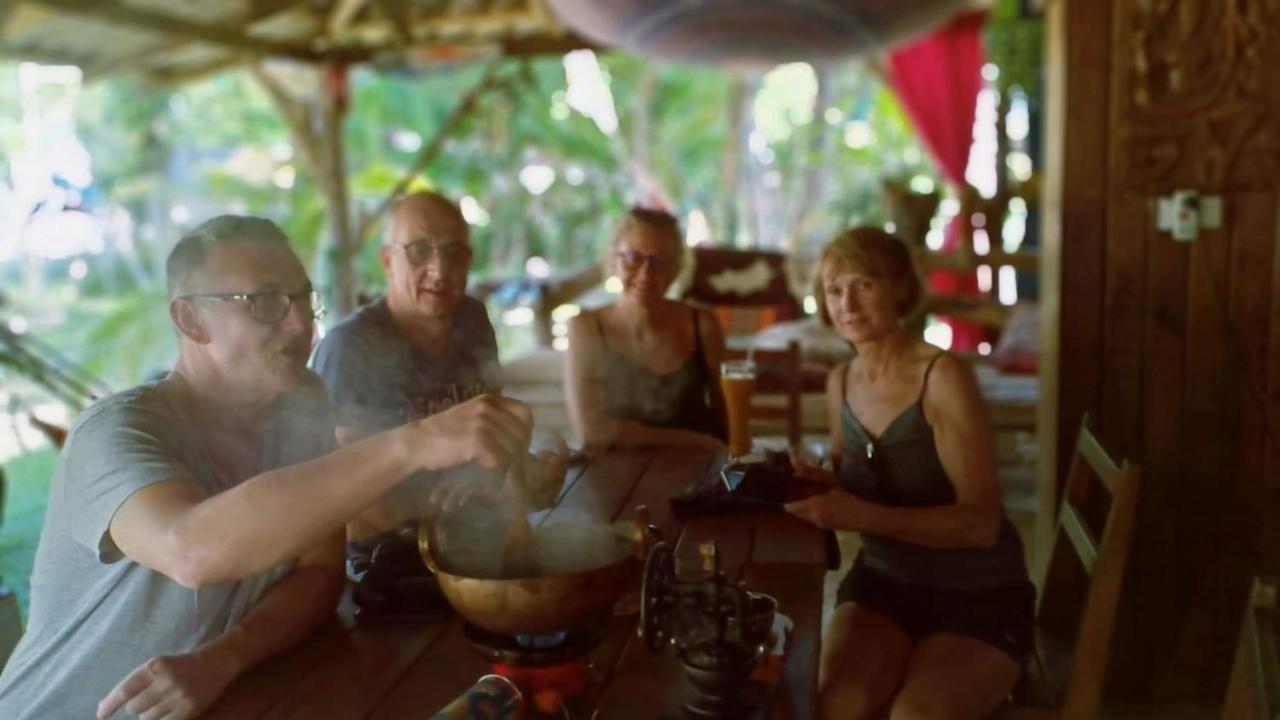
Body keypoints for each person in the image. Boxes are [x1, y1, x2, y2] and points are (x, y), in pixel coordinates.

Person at [0, 216, 531, 720]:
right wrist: (412, 444)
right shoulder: (115, 430)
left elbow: (320, 571)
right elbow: (190, 548)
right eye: (264, 303)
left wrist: (223, 657)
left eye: (302, 298)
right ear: (190, 319)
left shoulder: (299, 403)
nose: (301, 324)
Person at [785, 227, 1033, 720]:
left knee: (914, 715)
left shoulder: (943, 377)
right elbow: (857, 484)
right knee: (835, 706)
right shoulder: (840, 381)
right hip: (885, 584)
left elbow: (981, 523)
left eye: (864, 285)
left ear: (900, 288)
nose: (847, 304)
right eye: (835, 290)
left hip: (978, 594)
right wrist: (822, 485)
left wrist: (861, 515)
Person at [313, 192, 564, 572]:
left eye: (454, 253)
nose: (439, 270)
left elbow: (497, 435)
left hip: (479, 537)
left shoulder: (472, 321)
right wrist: (476, 499)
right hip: (388, 561)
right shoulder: (352, 348)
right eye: (419, 251)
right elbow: (354, 505)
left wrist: (528, 472)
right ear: (387, 262)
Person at [564, 207, 727, 452]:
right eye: (633, 258)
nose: (646, 274)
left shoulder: (702, 325)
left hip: (695, 472)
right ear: (613, 261)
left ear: (677, 268)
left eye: (660, 261)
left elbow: (728, 415)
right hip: (614, 477)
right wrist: (694, 440)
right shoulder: (587, 328)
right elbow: (592, 433)